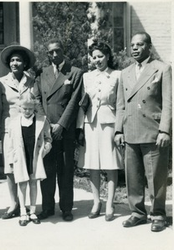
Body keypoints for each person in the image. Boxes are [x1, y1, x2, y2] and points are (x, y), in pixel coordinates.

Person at [114, 32, 172, 232]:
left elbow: (168, 104)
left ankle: (158, 214)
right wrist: (118, 130)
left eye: (140, 44)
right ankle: (137, 213)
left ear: (149, 46)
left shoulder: (162, 69)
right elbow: (120, 104)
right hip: (130, 130)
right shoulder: (125, 72)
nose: (135, 48)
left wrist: (165, 130)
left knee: (156, 176)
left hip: (153, 132)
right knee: (133, 176)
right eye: (132, 45)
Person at [35, 38, 83, 221]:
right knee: (47, 170)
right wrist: (47, 124)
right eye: (51, 52)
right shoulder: (42, 73)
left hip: (65, 129)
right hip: (46, 130)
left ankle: (66, 208)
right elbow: (37, 99)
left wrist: (61, 125)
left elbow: (74, 101)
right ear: (47, 55)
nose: (54, 54)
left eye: (58, 51)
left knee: (65, 170)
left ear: (63, 51)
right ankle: (47, 208)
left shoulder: (75, 72)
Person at [77, 41, 123, 221]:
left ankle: (110, 203)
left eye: (100, 56)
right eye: (94, 57)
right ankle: (96, 202)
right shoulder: (86, 77)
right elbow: (83, 104)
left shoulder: (117, 75)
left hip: (109, 123)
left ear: (108, 57)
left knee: (111, 164)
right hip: (90, 123)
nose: (97, 60)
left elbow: (121, 104)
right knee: (92, 165)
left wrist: (119, 129)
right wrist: (80, 127)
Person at [0, 44, 41, 219]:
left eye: (18, 60)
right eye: (12, 60)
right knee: (10, 167)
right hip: (9, 131)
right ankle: (14, 204)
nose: (15, 63)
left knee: (28, 165)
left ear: (25, 63)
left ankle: (28, 205)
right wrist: (7, 126)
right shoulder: (0, 83)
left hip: (28, 129)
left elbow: (36, 104)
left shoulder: (32, 81)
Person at [7, 92, 52, 226]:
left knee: (33, 182)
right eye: (25, 108)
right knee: (22, 183)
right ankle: (22, 211)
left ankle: (32, 211)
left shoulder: (41, 120)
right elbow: (10, 142)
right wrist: (11, 159)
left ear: (35, 108)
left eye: (30, 109)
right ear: (20, 108)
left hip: (35, 156)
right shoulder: (14, 122)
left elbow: (48, 138)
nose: (27, 111)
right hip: (21, 156)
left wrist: (45, 149)